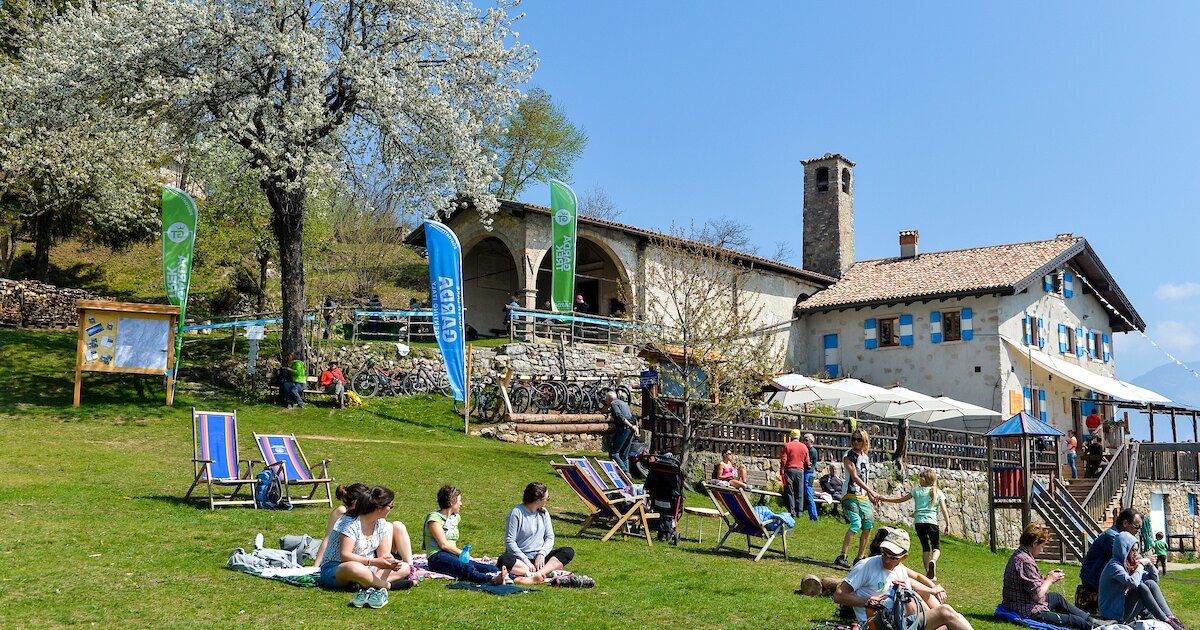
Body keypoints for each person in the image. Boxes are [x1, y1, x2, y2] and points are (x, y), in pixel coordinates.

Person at [833, 528, 971, 630]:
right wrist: (867, 602)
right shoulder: (866, 566)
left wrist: (906, 592)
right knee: (945, 611)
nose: (887, 560)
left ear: (904, 557)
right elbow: (838, 596)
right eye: (884, 554)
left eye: (893, 557)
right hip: (878, 624)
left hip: (900, 621)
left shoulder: (900, 570)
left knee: (947, 624)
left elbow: (911, 607)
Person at [317, 485, 411, 608]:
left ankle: (364, 583)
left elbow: (384, 555)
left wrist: (390, 562)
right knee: (353, 567)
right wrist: (373, 561)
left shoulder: (381, 524)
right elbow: (345, 555)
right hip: (337, 567)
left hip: (367, 568)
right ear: (378, 507)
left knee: (405, 567)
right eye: (390, 506)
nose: (391, 509)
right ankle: (387, 586)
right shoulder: (349, 522)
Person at [424, 484, 535, 585]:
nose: (461, 504)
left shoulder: (455, 518)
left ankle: (513, 578)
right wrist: (462, 553)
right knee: (465, 567)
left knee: (484, 566)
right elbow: (443, 545)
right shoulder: (434, 519)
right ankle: (490, 580)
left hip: (452, 555)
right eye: (459, 501)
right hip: (437, 557)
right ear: (451, 501)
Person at [1001, 524, 1101, 629]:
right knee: (1073, 620)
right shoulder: (1025, 561)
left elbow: (1029, 582)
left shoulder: (1020, 554)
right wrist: (1049, 580)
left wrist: (1047, 577)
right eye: (1042, 546)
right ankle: (1095, 627)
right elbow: (1037, 595)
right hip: (1026, 610)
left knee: (1056, 597)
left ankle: (1091, 620)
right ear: (1035, 544)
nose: (1042, 550)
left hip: (1019, 603)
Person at [498, 482, 593, 587]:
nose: (547, 501)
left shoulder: (543, 513)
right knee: (504, 559)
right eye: (547, 498)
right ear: (538, 501)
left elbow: (550, 537)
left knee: (568, 551)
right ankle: (536, 574)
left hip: (540, 560)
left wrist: (542, 554)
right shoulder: (516, 513)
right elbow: (509, 541)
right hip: (521, 559)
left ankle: (537, 574)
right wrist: (526, 561)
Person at [314, 483, 415, 570]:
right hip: (344, 565)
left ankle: (409, 568)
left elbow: (383, 554)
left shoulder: (380, 522)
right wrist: (316, 566)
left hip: (368, 561)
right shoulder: (347, 518)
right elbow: (332, 543)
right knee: (355, 568)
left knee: (404, 567)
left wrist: (388, 561)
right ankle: (379, 582)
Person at [1098, 532, 1183, 629]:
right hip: (1113, 616)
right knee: (1140, 587)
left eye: (1137, 550)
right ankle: (1166, 620)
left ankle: (1171, 617)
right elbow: (1133, 583)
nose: (1135, 554)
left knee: (1149, 583)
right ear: (1124, 549)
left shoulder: (1129, 564)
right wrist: (1141, 565)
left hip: (1122, 610)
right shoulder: (1114, 566)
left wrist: (1150, 565)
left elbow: (1154, 579)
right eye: (1133, 550)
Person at [882, 469, 949, 580]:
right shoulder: (938, 492)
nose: (919, 479)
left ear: (925, 479)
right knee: (936, 547)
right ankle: (933, 561)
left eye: (921, 477)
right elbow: (944, 509)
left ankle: (929, 573)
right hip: (932, 523)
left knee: (925, 548)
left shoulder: (916, 491)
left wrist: (886, 499)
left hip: (919, 522)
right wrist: (948, 524)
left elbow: (900, 500)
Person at [834, 428, 881, 569]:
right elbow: (854, 477)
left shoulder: (866, 458)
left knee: (868, 525)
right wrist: (871, 491)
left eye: (859, 439)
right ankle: (842, 555)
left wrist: (870, 495)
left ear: (865, 441)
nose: (855, 442)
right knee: (856, 523)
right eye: (853, 439)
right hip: (850, 495)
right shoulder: (848, 455)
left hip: (863, 496)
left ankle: (860, 557)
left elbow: (865, 479)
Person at [1081, 508, 1142, 591]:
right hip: (1094, 580)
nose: (1138, 530)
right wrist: (1143, 561)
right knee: (1140, 588)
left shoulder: (1121, 537)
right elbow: (1127, 561)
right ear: (1125, 523)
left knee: (1147, 585)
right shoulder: (1113, 537)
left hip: (1105, 577)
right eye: (1136, 526)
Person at [779, 429, 810, 518]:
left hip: (789, 470)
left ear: (791, 436)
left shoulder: (787, 446)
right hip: (800, 470)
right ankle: (799, 511)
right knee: (799, 491)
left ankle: (791, 511)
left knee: (790, 491)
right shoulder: (804, 447)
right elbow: (807, 462)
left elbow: (784, 459)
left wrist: (782, 469)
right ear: (799, 436)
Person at [606, 390, 638, 473]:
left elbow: (620, 416)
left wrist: (631, 426)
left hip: (624, 429)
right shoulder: (624, 403)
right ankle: (626, 478)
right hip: (630, 429)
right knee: (624, 455)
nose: (606, 401)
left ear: (609, 399)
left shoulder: (613, 404)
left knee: (614, 453)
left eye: (606, 399)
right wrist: (635, 427)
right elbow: (633, 416)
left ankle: (625, 471)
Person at [803, 433, 819, 522]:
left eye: (806, 440)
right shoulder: (807, 450)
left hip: (809, 474)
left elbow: (809, 465)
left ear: (811, 441)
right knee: (807, 494)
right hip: (807, 474)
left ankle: (814, 516)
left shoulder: (812, 451)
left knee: (809, 494)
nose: (804, 442)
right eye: (804, 439)